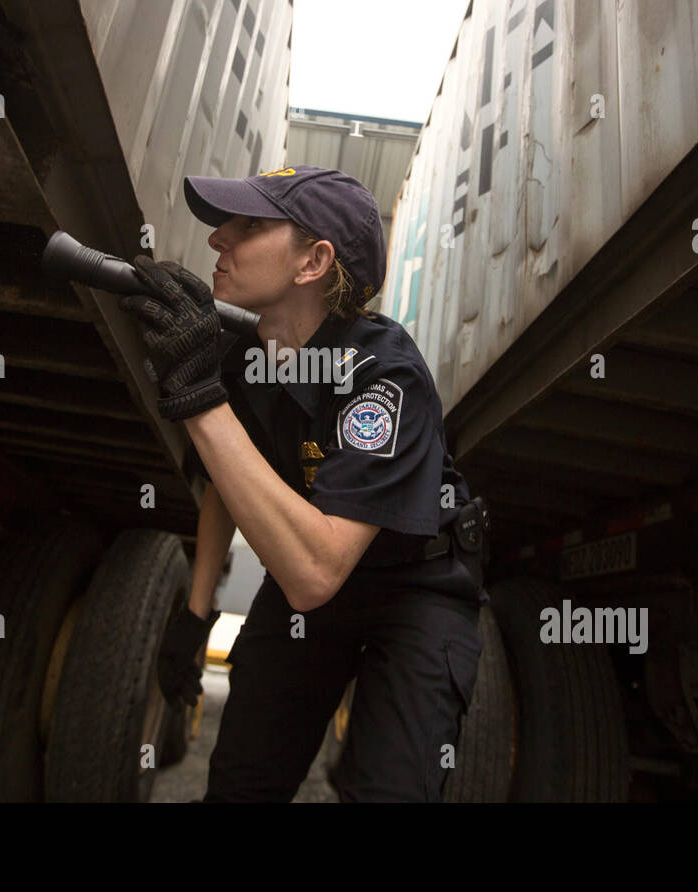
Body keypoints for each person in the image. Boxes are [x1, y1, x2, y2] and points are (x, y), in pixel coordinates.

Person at [116, 164, 487, 802]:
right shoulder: (245, 356)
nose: (217, 239)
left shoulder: (383, 376)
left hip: (411, 589)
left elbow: (316, 572)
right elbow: (228, 486)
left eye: (250, 225)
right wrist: (196, 614)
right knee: (240, 787)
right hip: (308, 594)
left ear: (313, 262)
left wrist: (199, 400)